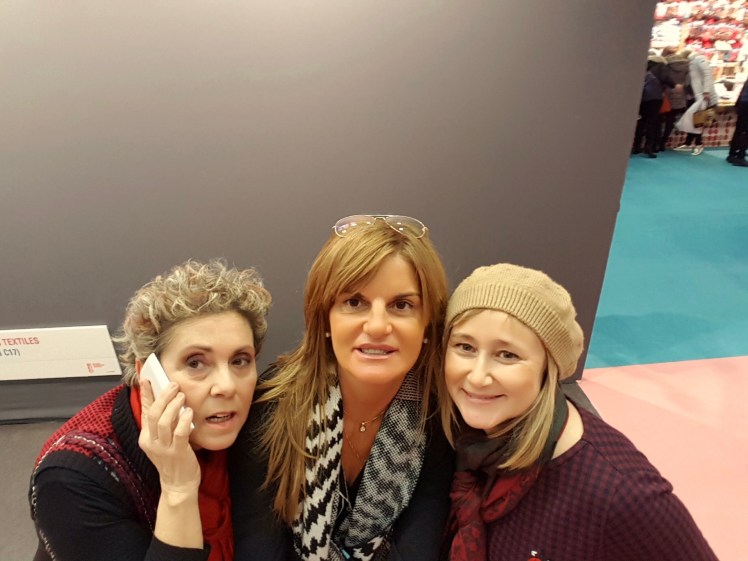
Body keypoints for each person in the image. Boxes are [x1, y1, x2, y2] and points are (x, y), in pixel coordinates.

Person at [438, 264, 718, 561]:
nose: (477, 377)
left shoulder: (622, 493)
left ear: (548, 368)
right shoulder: (454, 435)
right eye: (465, 347)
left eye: (507, 355)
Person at [230, 214, 455, 561]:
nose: (377, 326)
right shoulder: (270, 405)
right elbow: (258, 550)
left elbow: (417, 549)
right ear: (325, 318)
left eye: (402, 305)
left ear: (427, 324)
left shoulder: (437, 416)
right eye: (354, 302)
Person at [29, 259, 272, 561]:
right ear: (148, 373)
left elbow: (264, 539)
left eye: (239, 360)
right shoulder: (72, 478)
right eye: (195, 363)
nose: (227, 386)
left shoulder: (254, 421)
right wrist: (178, 488)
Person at [674, 49, 719, 156]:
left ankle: (699, 144)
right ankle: (688, 143)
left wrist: (706, 91)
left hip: (703, 97)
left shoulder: (699, 60)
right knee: (693, 120)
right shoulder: (693, 63)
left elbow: (708, 75)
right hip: (696, 96)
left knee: (698, 121)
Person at [726, 79, 748, 167]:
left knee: (739, 130)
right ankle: (740, 156)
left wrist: (737, 104)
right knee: (746, 132)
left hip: (743, 103)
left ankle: (732, 154)